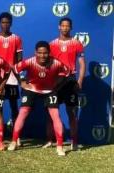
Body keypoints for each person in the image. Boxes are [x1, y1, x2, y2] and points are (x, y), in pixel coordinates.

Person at [8, 41, 69, 156]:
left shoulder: (56, 63)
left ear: (49, 53)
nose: (42, 56)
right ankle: (14, 141)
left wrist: (57, 86)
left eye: (45, 53)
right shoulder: (29, 61)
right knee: (23, 112)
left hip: (49, 91)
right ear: (35, 52)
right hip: (31, 89)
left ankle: (60, 146)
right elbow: (14, 69)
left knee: (55, 115)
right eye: (39, 53)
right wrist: (21, 82)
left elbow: (67, 73)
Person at [44, 17, 86, 151]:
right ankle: (50, 140)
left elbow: (82, 64)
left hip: (70, 81)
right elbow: (48, 65)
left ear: (71, 28)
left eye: (68, 26)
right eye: (63, 25)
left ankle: (74, 142)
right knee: (51, 113)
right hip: (55, 82)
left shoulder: (77, 43)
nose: (65, 28)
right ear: (59, 27)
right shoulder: (51, 44)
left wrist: (79, 81)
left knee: (72, 113)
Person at [0, 12, 22, 144]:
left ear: (11, 23)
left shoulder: (16, 39)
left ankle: (16, 136)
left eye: (7, 22)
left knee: (14, 107)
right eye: (3, 22)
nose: (5, 25)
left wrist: (18, 74)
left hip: (12, 78)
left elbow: (19, 59)